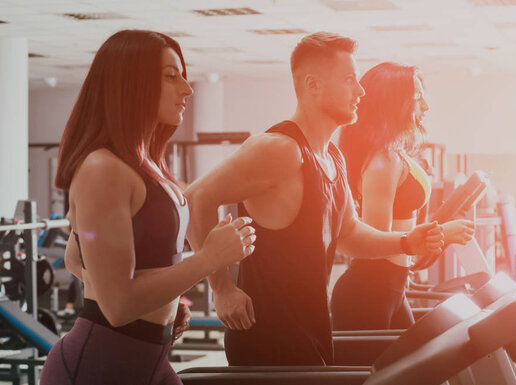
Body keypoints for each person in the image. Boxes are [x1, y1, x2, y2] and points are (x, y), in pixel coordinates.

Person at [185, 32, 444, 367]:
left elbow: (350, 235)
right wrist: (221, 289)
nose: (361, 92)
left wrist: (408, 241)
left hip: (310, 332)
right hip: (268, 340)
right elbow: (195, 199)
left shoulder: (332, 157)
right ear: (313, 85)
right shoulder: (279, 149)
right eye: (350, 80)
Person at [40, 30, 256, 385]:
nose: (187, 89)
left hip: (149, 361)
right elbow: (118, 305)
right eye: (171, 76)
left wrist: (162, 307)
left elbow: (78, 259)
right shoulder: (101, 169)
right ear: (130, 85)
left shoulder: (145, 167)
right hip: (98, 367)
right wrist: (207, 260)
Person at [330, 62, 475, 331]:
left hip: (392, 287)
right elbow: (373, 241)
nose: (426, 107)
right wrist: (441, 232)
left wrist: (435, 236)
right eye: (418, 99)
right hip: (367, 292)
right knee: (376, 374)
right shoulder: (381, 162)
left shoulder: (396, 154)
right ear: (393, 104)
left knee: (409, 369)